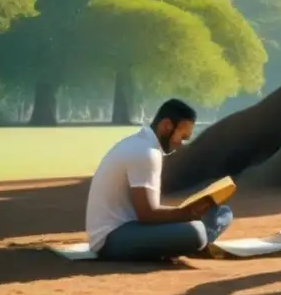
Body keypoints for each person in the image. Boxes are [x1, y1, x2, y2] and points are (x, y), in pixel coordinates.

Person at [85, 99, 233, 261]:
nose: (180, 144)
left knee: (222, 213)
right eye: (181, 137)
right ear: (166, 126)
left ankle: (185, 244)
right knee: (196, 232)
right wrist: (187, 213)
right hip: (112, 239)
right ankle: (192, 244)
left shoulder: (142, 144)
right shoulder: (147, 153)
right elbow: (147, 214)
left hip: (128, 228)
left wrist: (187, 212)